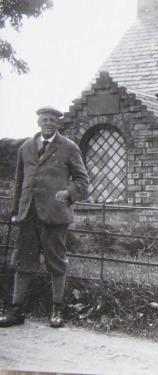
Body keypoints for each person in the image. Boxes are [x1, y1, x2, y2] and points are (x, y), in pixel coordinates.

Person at [0, 106, 89, 328]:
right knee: (23, 263)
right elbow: (20, 183)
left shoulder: (69, 148)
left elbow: (82, 180)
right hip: (28, 216)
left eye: (52, 120)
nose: (48, 123)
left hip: (54, 216)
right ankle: (16, 311)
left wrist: (68, 193)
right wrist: (15, 212)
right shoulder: (26, 148)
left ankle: (57, 310)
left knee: (56, 263)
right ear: (38, 121)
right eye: (44, 119)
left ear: (59, 123)